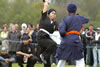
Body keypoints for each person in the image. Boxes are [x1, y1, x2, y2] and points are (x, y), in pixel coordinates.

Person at [37, 0, 58, 67]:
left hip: (47, 40)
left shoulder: (55, 23)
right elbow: (45, 7)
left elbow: (59, 31)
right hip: (41, 38)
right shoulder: (44, 18)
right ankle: (43, 55)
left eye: (55, 13)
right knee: (53, 44)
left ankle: (44, 58)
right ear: (48, 14)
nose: (54, 14)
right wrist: (46, 2)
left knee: (47, 60)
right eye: (52, 13)